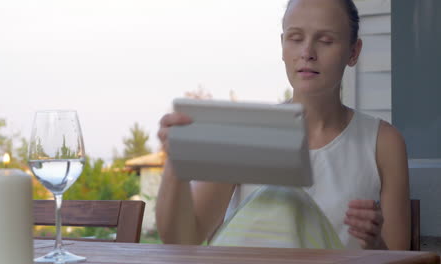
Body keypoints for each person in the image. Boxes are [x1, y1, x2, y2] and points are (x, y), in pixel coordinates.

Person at [156, 0, 410, 250]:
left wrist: (375, 242)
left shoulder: (382, 142)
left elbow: (401, 258)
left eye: (325, 40)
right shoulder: (247, 133)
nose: (307, 52)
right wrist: (176, 164)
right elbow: (182, 239)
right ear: (282, 46)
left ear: (353, 52)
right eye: (296, 38)